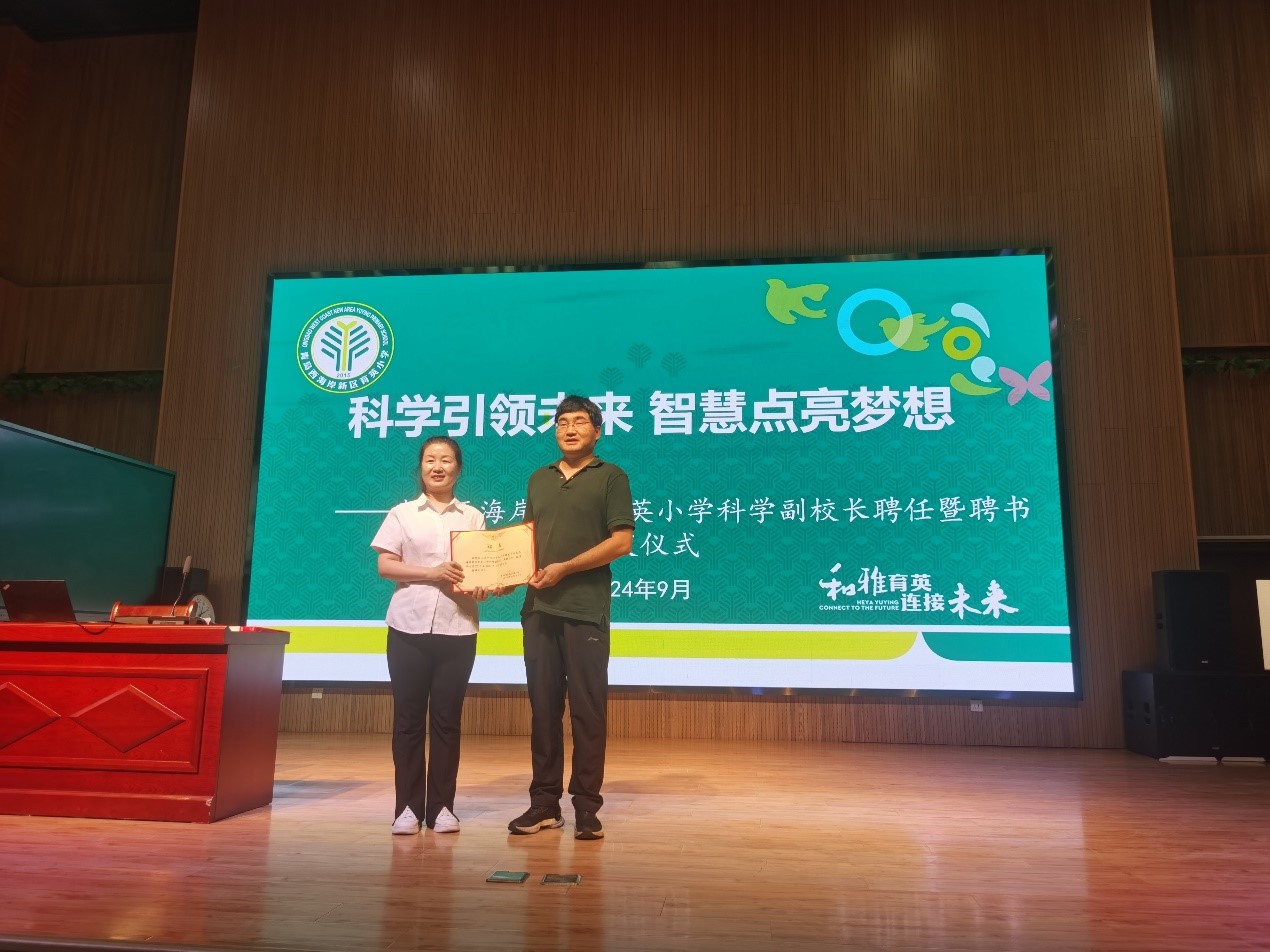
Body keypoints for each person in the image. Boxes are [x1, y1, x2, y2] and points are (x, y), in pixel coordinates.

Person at [507, 395, 634, 840]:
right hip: (538, 610)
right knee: (543, 711)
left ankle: (586, 807)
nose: (570, 429)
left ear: (597, 431)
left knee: (587, 711)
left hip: (585, 610)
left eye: (580, 422)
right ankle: (544, 804)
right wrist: (505, 576)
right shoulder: (538, 478)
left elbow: (621, 542)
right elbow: (526, 544)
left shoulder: (611, 476)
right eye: (562, 422)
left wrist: (565, 568)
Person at [371, 435, 494, 835]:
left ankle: (442, 808)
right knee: (408, 720)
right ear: (420, 467)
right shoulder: (402, 514)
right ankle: (407, 808)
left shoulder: (472, 517)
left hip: (458, 629)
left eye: (446, 460)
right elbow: (386, 566)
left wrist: (482, 586)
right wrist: (432, 573)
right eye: (430, 460)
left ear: (459, 468)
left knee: (446, 720)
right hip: (407, 627)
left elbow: (480, 571)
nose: (437, 466)